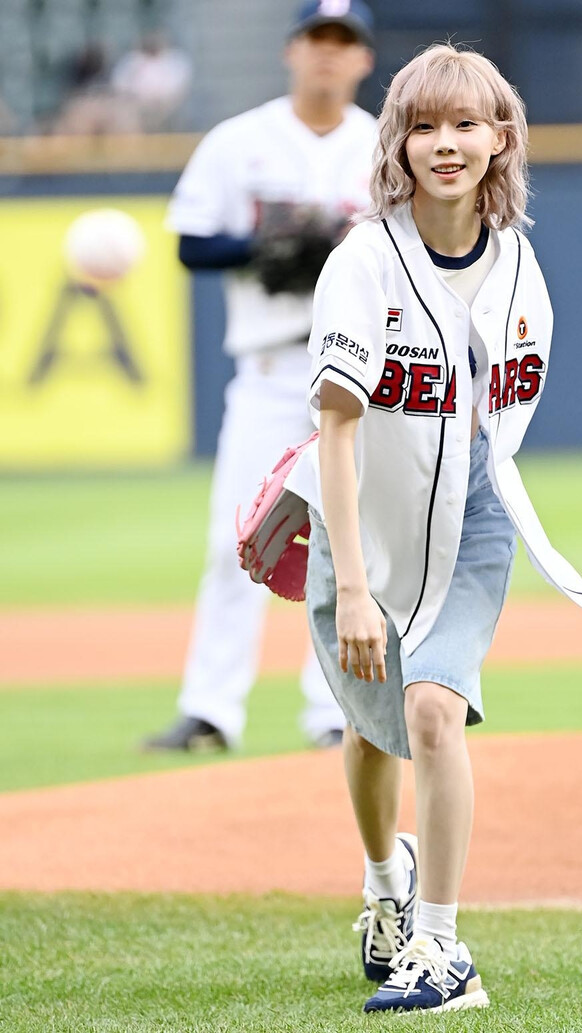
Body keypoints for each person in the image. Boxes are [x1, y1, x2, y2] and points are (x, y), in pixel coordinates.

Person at [288, 43, 582, 1012]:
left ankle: (441, 948)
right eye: (422, 125)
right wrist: (347, 585)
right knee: (371, 727)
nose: (444, 143)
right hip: (362, 520)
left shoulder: (515, 261)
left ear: (500, 137)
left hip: (469, 519)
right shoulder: (363, 262)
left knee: (430, 707)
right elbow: (335, 432)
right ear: (399, 144)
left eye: (465, 123)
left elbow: (490, 426)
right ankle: (386, 884)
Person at [143, 0, 377, 753]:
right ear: (292, 50)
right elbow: (190, 246)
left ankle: (336, 712)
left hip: (359, 370)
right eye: (318, 39)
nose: (329, 55)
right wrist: (261, 247)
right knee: (233, 539)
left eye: (344, 42)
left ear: (364, 59)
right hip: (273, 367)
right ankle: (212, 709)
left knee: (353, 544)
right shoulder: (238, 141)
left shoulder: (382, 144)